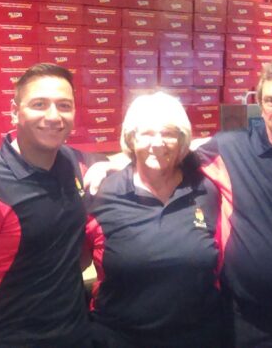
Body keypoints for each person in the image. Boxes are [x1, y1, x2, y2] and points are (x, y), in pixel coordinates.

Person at [86, 55, 272, 348]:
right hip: (241, 323)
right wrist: (110, 163)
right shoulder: (229, 149)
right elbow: (165, 151)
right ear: (260, 105)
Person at [0, 63, 99, 348]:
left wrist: (107, 167)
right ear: (15, 112)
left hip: (75, 335)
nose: (53, 116)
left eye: (64, 105)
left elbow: (136, 159)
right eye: (39, 104)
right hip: (9, 339)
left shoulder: (76, 165)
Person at [82, 92, 222, 348]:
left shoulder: (206, 190)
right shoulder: (102, 193)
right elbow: (76, 261)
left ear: (182, 141)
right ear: (131, 139)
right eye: (146, 133)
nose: (157, 143)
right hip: (118, 339)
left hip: (198, 338)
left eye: (168, 133)